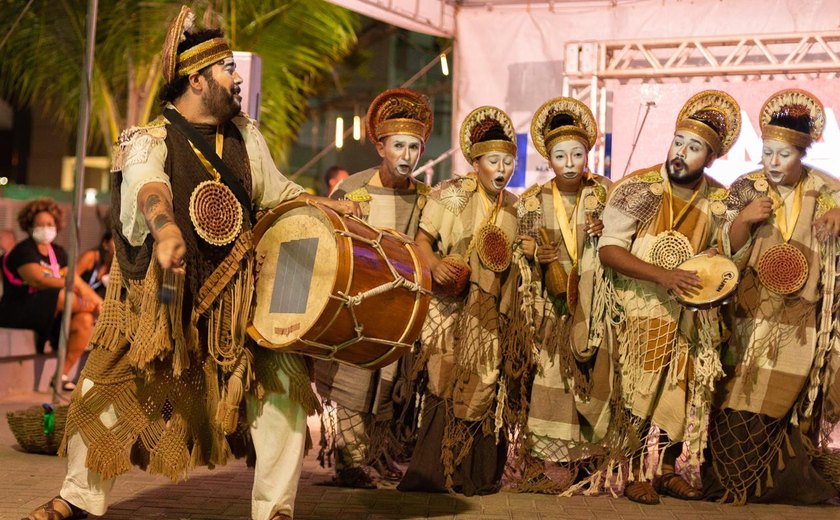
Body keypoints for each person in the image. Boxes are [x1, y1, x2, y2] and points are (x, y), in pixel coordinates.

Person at [23, 7, 358, 520]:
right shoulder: (148, 139)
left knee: (284, 387)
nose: (238, 76)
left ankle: (275, 511)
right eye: (227, 68)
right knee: (103, 389)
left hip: (240, 298)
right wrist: (167, 229)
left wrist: (325, 204)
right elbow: (147, 187)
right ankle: (78, 499)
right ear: (197, 80)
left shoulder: (246, 138)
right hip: (161, 298)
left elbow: (277, 193)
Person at [597, 90, 740, 504]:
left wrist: (714, 255)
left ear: (710, 159)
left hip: (690, 313)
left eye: (694, 148)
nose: (681, 152)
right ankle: (633, 470)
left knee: (683, 386)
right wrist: (663, 276)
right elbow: (610, 250)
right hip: (639, 307)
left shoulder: (717, 200)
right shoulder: (638, 187)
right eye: (679, 142)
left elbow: (724, 253)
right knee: (639, 389)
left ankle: (664, 471)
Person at [704, 89, 840, 504]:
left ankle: (780, 486)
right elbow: (720, 250)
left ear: (802, 153)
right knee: (736, 399)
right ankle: (730, 483)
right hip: (746, 318)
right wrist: (743, 221)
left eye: (784, 154)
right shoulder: (745, 187)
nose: (774, 163)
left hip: (801, 324)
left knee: (792, 406)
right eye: (767, 153)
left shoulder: (829, 189)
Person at [315, 88, 433, 488]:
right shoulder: (354, 189)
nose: (406, 155)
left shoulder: (424, 197)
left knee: (389, 383)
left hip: (400, 308)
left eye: (414, 147)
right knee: (352, 381)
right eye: (398, 145)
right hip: (356, 303)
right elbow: (330, 236)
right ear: (380, 145)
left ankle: (377, 456)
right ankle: (350, 461)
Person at [398, 105, 518, 496]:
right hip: (449, 306)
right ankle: (431, 473)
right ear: (475, 162)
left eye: (508, 161)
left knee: (485, 383)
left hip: (489, 316)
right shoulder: (450, 195)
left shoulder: (515, 207)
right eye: (493, 161)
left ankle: (475, 474)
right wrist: (435, 266)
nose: (501, 169)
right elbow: (423, 241)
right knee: (444, 379)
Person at [509, 97, 614, 492]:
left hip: (597, 308)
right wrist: (535, 254)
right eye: (559, 156)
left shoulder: (606, 194)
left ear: (588, 154)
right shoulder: (533, 200)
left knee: (596, 382)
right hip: (552, 312)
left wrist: (609, 229)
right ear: (547, 158)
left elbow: (624, 238)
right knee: (552, 381)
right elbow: (521, 245)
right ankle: (547, 465)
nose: (569, 163)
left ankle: (592, 466)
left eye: (577, 154)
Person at [0, 198, 102, 391]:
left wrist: (96, 302)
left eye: (49, 224)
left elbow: (74, 280)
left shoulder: (58, 252)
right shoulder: (23, 251)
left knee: (84, 321)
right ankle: (101, 311)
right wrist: (81, 292)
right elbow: (37, 280)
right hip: (20, 309)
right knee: (64, 295)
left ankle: (61, 375)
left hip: (49, 312)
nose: (45, 228)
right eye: (40, 224)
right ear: (29, 227)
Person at [76, 231, 115, 299]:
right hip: (76, 296)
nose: (120, 246)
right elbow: (71, 278)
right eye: (116, 241)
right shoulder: (91, 256)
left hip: (91, 303)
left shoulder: (114, 268)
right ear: (105, 243)